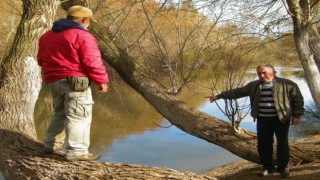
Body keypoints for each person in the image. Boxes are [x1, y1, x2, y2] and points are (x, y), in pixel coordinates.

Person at [37, 5, 109, 161]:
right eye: (89, 20)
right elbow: (92, 61)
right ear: (84, 19)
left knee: (60, 114)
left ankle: (50, 146)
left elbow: (41, 60)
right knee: (79, 116)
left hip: (54, 81)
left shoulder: (46, 36)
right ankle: (77, 151)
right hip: (76, 82)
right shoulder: (83, 36)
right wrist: (101, 80)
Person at [207, 64, 304, 178]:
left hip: (281, 119)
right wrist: (219, 96)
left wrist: (297, 116)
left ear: (273, 73)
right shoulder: (254, 85)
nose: (261, 76)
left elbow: (298, 100)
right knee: (263, 144)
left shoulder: (287, 84)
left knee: (282, 144)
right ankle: (267, 167)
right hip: (262, 119)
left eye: (264, 73)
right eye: (259, 73)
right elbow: (238, 92)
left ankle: (283, 168)